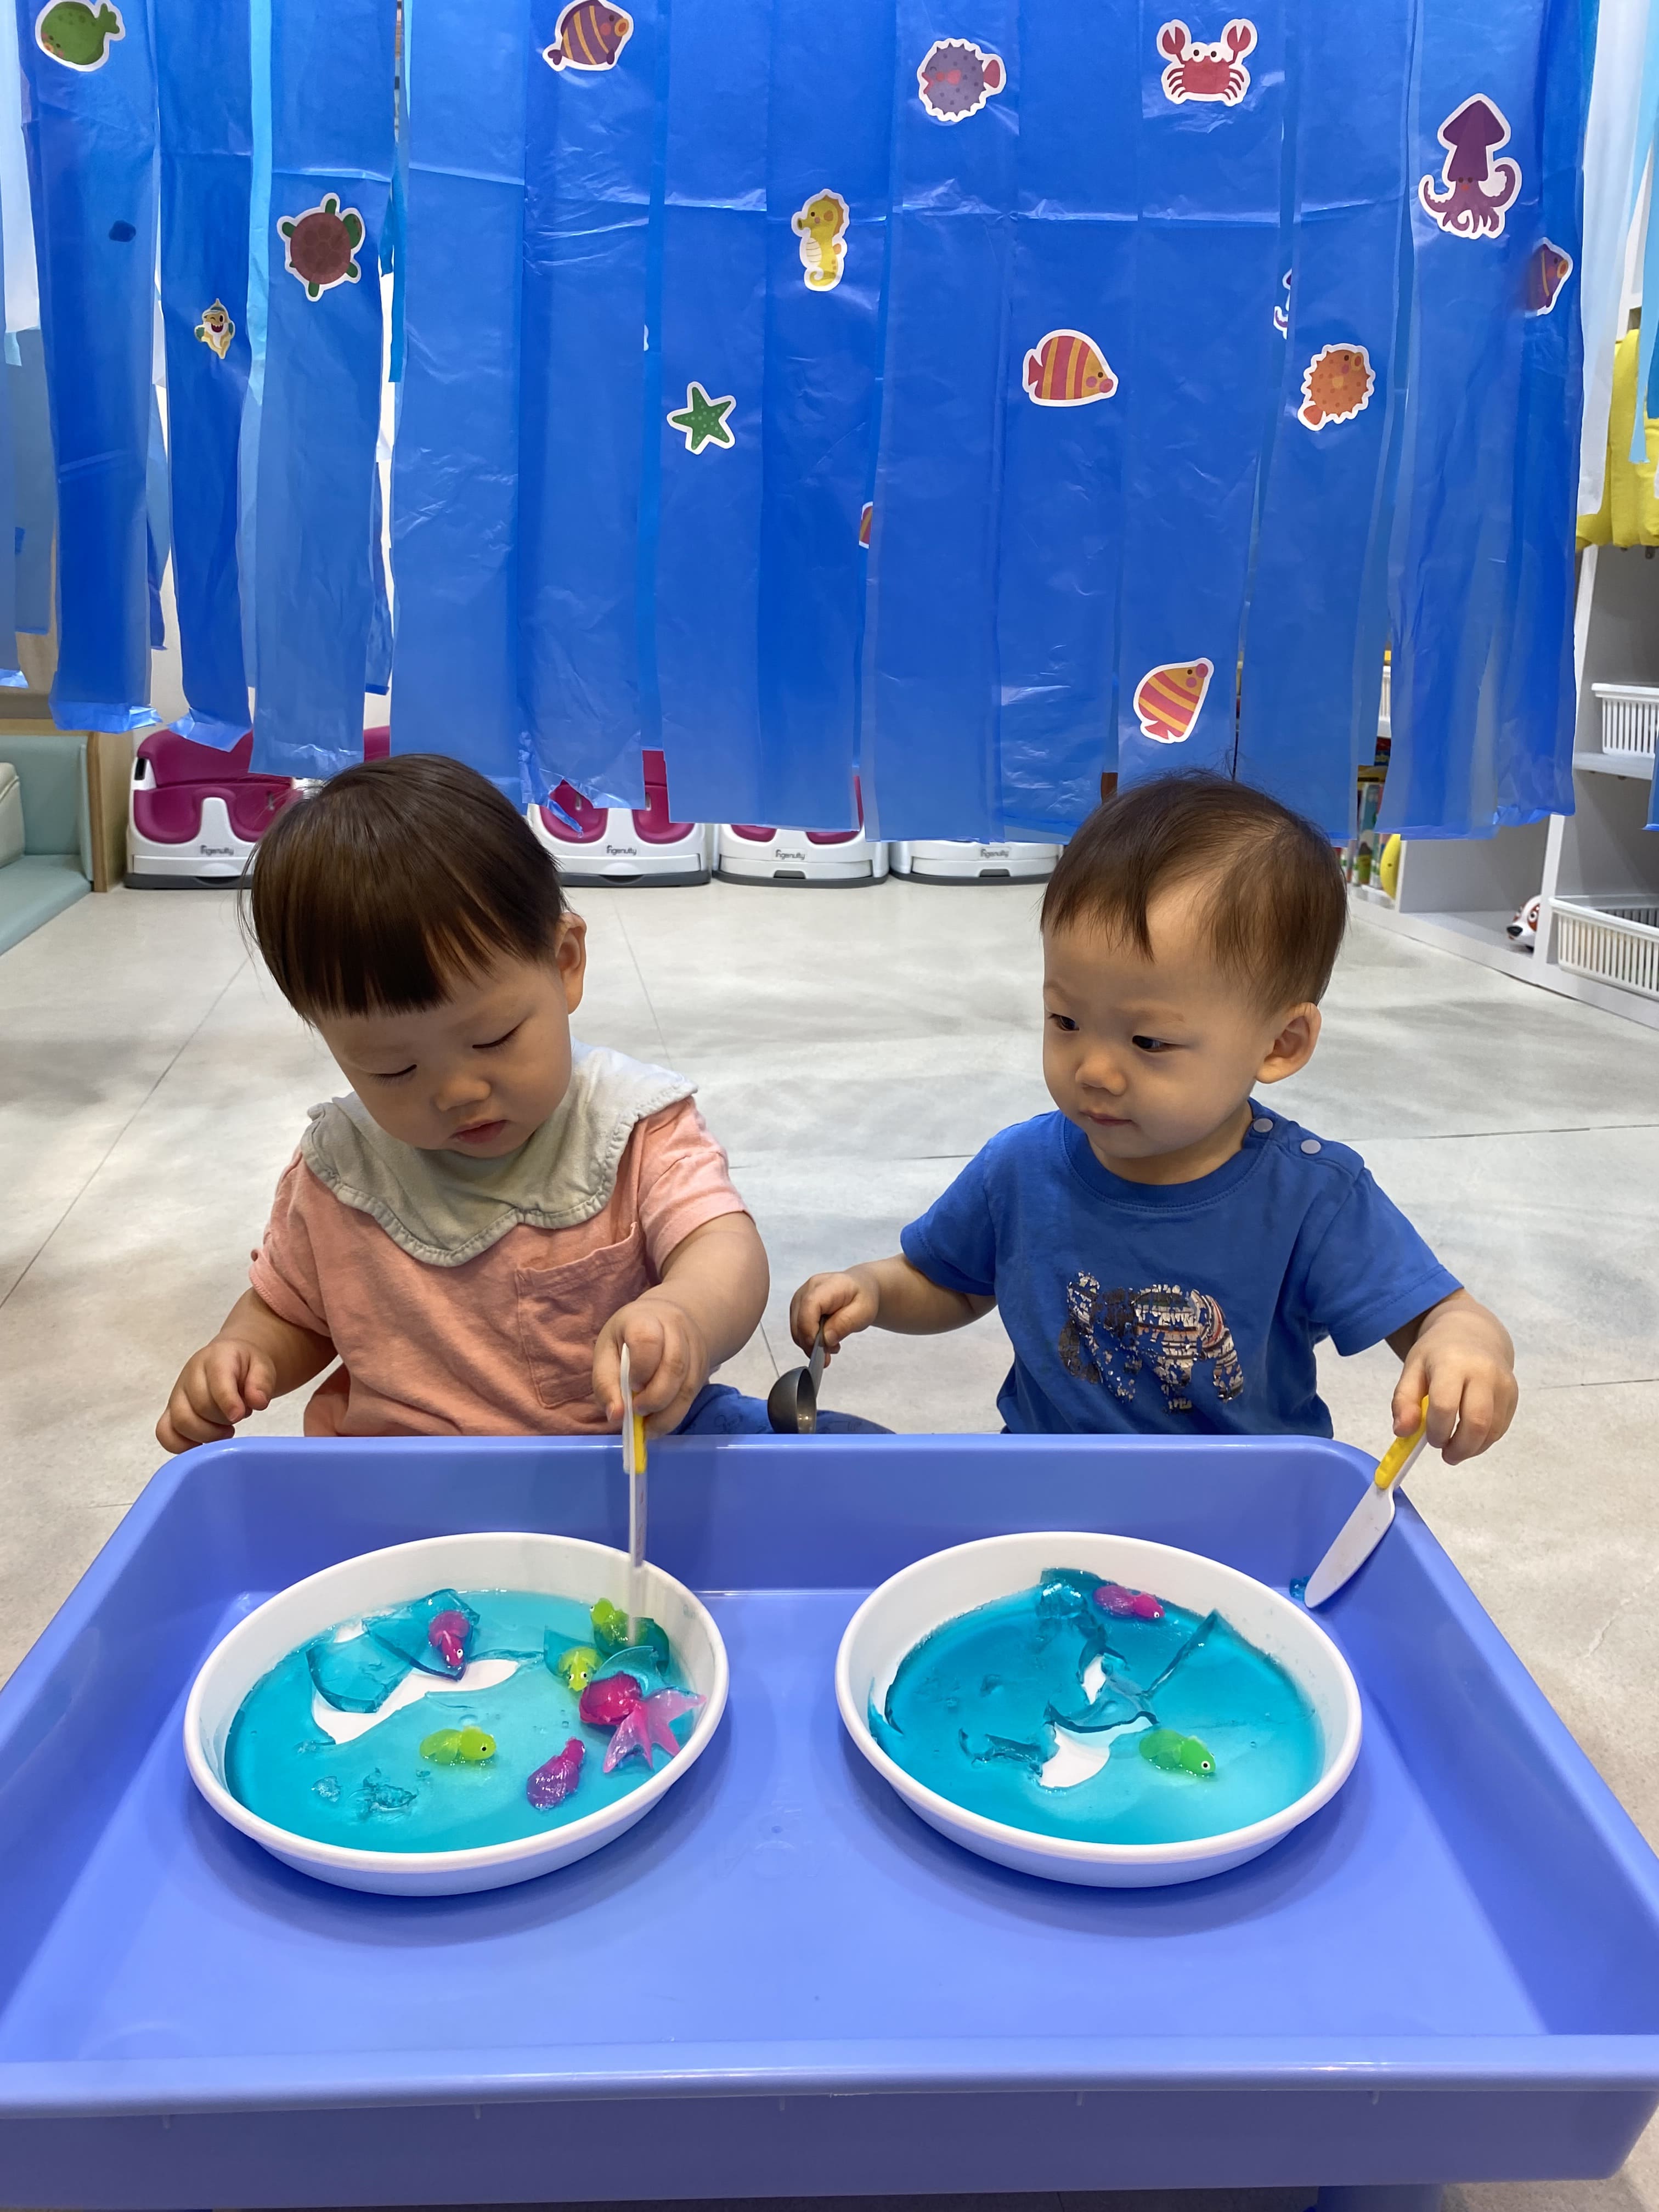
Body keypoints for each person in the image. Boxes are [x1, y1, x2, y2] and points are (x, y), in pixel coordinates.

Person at [791, 772, 1517, 1462]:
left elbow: (1437, 1312)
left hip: (1240, 1506)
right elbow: (952, 1281)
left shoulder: (1312, 1197)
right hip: (1048, 1490)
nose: (1094, 1070)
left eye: (1148, 1041)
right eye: (1066, 1020)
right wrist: (875, 1290)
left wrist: (1463, 1345)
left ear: (1280, 1044)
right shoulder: (1020, 1169)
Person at [157, 754, 868, 1451]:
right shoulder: (341, 1168)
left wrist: (684, 1312)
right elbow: (293, 1311)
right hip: (412, 1466)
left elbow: (722, 1247)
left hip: (629, 1442)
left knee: (846, 1457)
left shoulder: (631, 1124)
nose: (457, 1091)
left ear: (564, 965)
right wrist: (245, 1353)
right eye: (393, 1069)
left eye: (493, 1038)